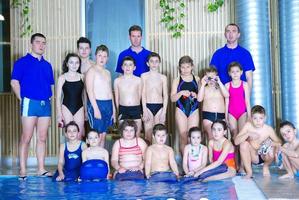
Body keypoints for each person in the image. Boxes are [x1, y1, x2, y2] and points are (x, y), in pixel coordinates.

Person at [11, 33, 54, 180]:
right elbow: (14, 82)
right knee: (26, 137)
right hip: (29, 102)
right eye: (38, 42)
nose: (41, 45)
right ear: (31, 44)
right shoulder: (22, 62)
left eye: (44, 43)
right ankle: (23, 170)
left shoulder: (48, 65)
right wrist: (22, 99)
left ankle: (40, 169)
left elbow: (49, 86)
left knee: (42, 137)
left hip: (45, 104)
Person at [234, 105, 281, 179]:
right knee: (243, 144)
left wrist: (269, 143)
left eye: (261, 118)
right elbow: (236, 142)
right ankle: (249, 172)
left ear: (265, 118)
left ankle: (265, 166)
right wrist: (248, 134)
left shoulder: (268, 129)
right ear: (251, 118)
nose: (258, 121)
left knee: (272, 148)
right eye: (255, 118)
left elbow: (279, 142)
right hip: (254, 156)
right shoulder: (248, 126)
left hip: (265, 156)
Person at [210, 23, 255, 93]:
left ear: (238, 35)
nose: (231, 34)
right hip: (222, 95)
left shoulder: (245, 54)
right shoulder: (218, 54)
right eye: (228, 31)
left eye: (234, 31)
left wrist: (247, 96)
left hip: (240, 95)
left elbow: (249, 77)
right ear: (225, 34)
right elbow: (212, 75)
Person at [86, 45, 116, 147]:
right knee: (96, 136)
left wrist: (114, 109)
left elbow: (110, 92)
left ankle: (101, 160)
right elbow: (89, 91)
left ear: (107, 58)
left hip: (108, 104)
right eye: (100, 55)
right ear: (95, 56)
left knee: (103, 136)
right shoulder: (92, 71)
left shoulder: (108, 73)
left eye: (104, 56)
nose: (102, 58)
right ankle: (93, 159)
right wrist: (96, 109)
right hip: (97, 104)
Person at [170, 56, 200, 155]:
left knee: (193, 136)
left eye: (187, 67)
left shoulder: (197, 79)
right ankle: (184, 162)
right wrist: (181, 93)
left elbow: (201, 96)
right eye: (183, 67)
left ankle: (193, 161)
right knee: (183, 136)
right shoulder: (177, 80)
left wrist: (196, 95)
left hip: (194, 110)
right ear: (179, 68)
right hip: (181, 110)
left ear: (192, 67)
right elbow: (172, 98)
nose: (185, 70)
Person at [141, 52, 168, 144]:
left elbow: (165, 95)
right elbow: (143, 94)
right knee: (148, 134)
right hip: (148, 106)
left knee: (159, 134)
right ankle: (149, 156)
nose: (154, 63)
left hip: (159, 107)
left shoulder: (163, 77)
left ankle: (159, 157)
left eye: (156, 61)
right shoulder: (144, 76)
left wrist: (164, 112)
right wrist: (144, 110)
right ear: (148, 63)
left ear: (159, 63)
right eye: (152, 61)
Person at [56, 53, 85, 138]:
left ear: (79, 64)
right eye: (71, 62)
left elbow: (84, 96)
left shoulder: (82, 77)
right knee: (69, 135)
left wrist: (86, 111)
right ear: (67, 64)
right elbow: (58, 98)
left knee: (79, 135)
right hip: (66, 108)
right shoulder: (62, 78)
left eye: (77, 62)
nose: (74, 65)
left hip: (80, 108)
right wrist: (59, 114)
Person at [198, 66, 229, 140]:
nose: (211, 81)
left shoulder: (221, 88)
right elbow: (199, 99)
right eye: (209, 78)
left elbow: (227, 95)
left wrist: (219, 82)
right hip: (208, 115)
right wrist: (202, 84)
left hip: (220, 115)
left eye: (213, 78)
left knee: (222, 138)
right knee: (211, 137)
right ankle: (211, 151)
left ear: (217, 77)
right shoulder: (204, 88)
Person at [114, 56, 143, 136]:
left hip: (136, 109)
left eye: (130, 65)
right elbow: (117, 98)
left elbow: (140, 96)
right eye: (125, 65)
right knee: (124, 135)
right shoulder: (117, 81)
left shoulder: (139, 80)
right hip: (123, 109)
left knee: (137, 134)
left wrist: (141, 110)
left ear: (134, 67)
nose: (128, 67)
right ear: (122, 67)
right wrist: (117, 112)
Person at [225, 62, 251, 139]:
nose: (235, 74)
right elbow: (226, 103)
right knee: (234, 135)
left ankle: (242, 151)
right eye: (233, 72)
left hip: (242, 112)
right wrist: (226, 117)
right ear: (229, 73)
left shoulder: (245, 84)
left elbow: (247, 101)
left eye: (237, 71)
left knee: (242, 134)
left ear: (241, 72)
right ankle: (234, 151)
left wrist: (249, 116)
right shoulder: (227, 85)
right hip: (231, 113)